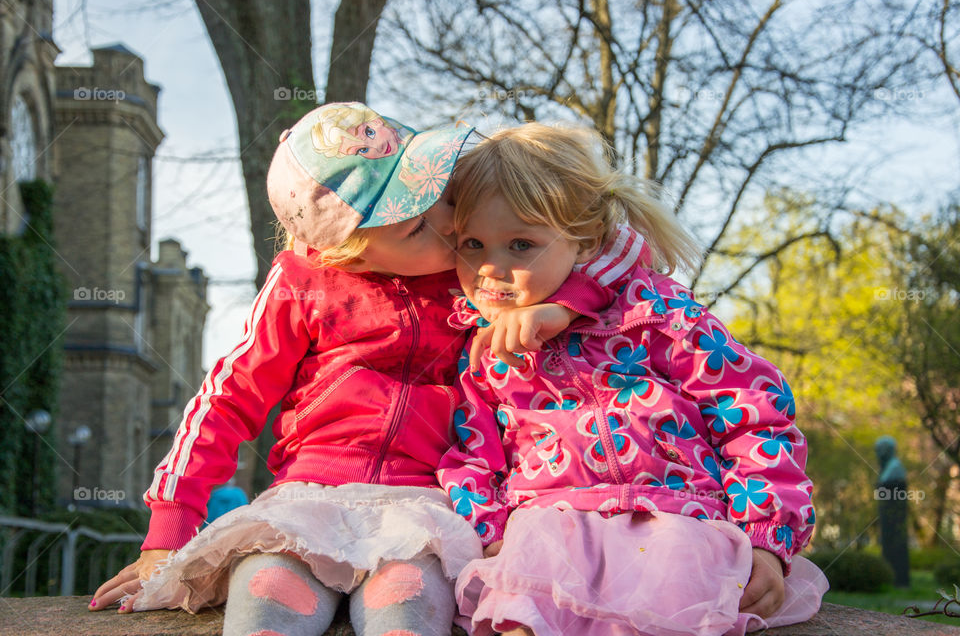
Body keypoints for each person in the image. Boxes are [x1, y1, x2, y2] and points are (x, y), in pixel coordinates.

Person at [88, 103, 586, 636]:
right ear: (349, 253)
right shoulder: (302, 287)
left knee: (406, 602)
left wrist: (566, 304)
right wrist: (169, 527)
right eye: (418, 224)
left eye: (443, 196)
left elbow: (608, 255)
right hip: (309, 496)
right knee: (270, 593)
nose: (448, 222)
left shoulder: (481, 280)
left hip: (427, 501)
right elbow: (227, 399)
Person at [437, 123, 829, 636]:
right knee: (524, 619)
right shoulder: (481, 351)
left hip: (679, 522)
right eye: (472, 242)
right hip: (549, 528)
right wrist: (489, 533)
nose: (491, 268)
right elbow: (470, 454)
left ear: (585, 242)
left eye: (520, 243)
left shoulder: (657, 315)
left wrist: (766, 538)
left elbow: (756, 416)